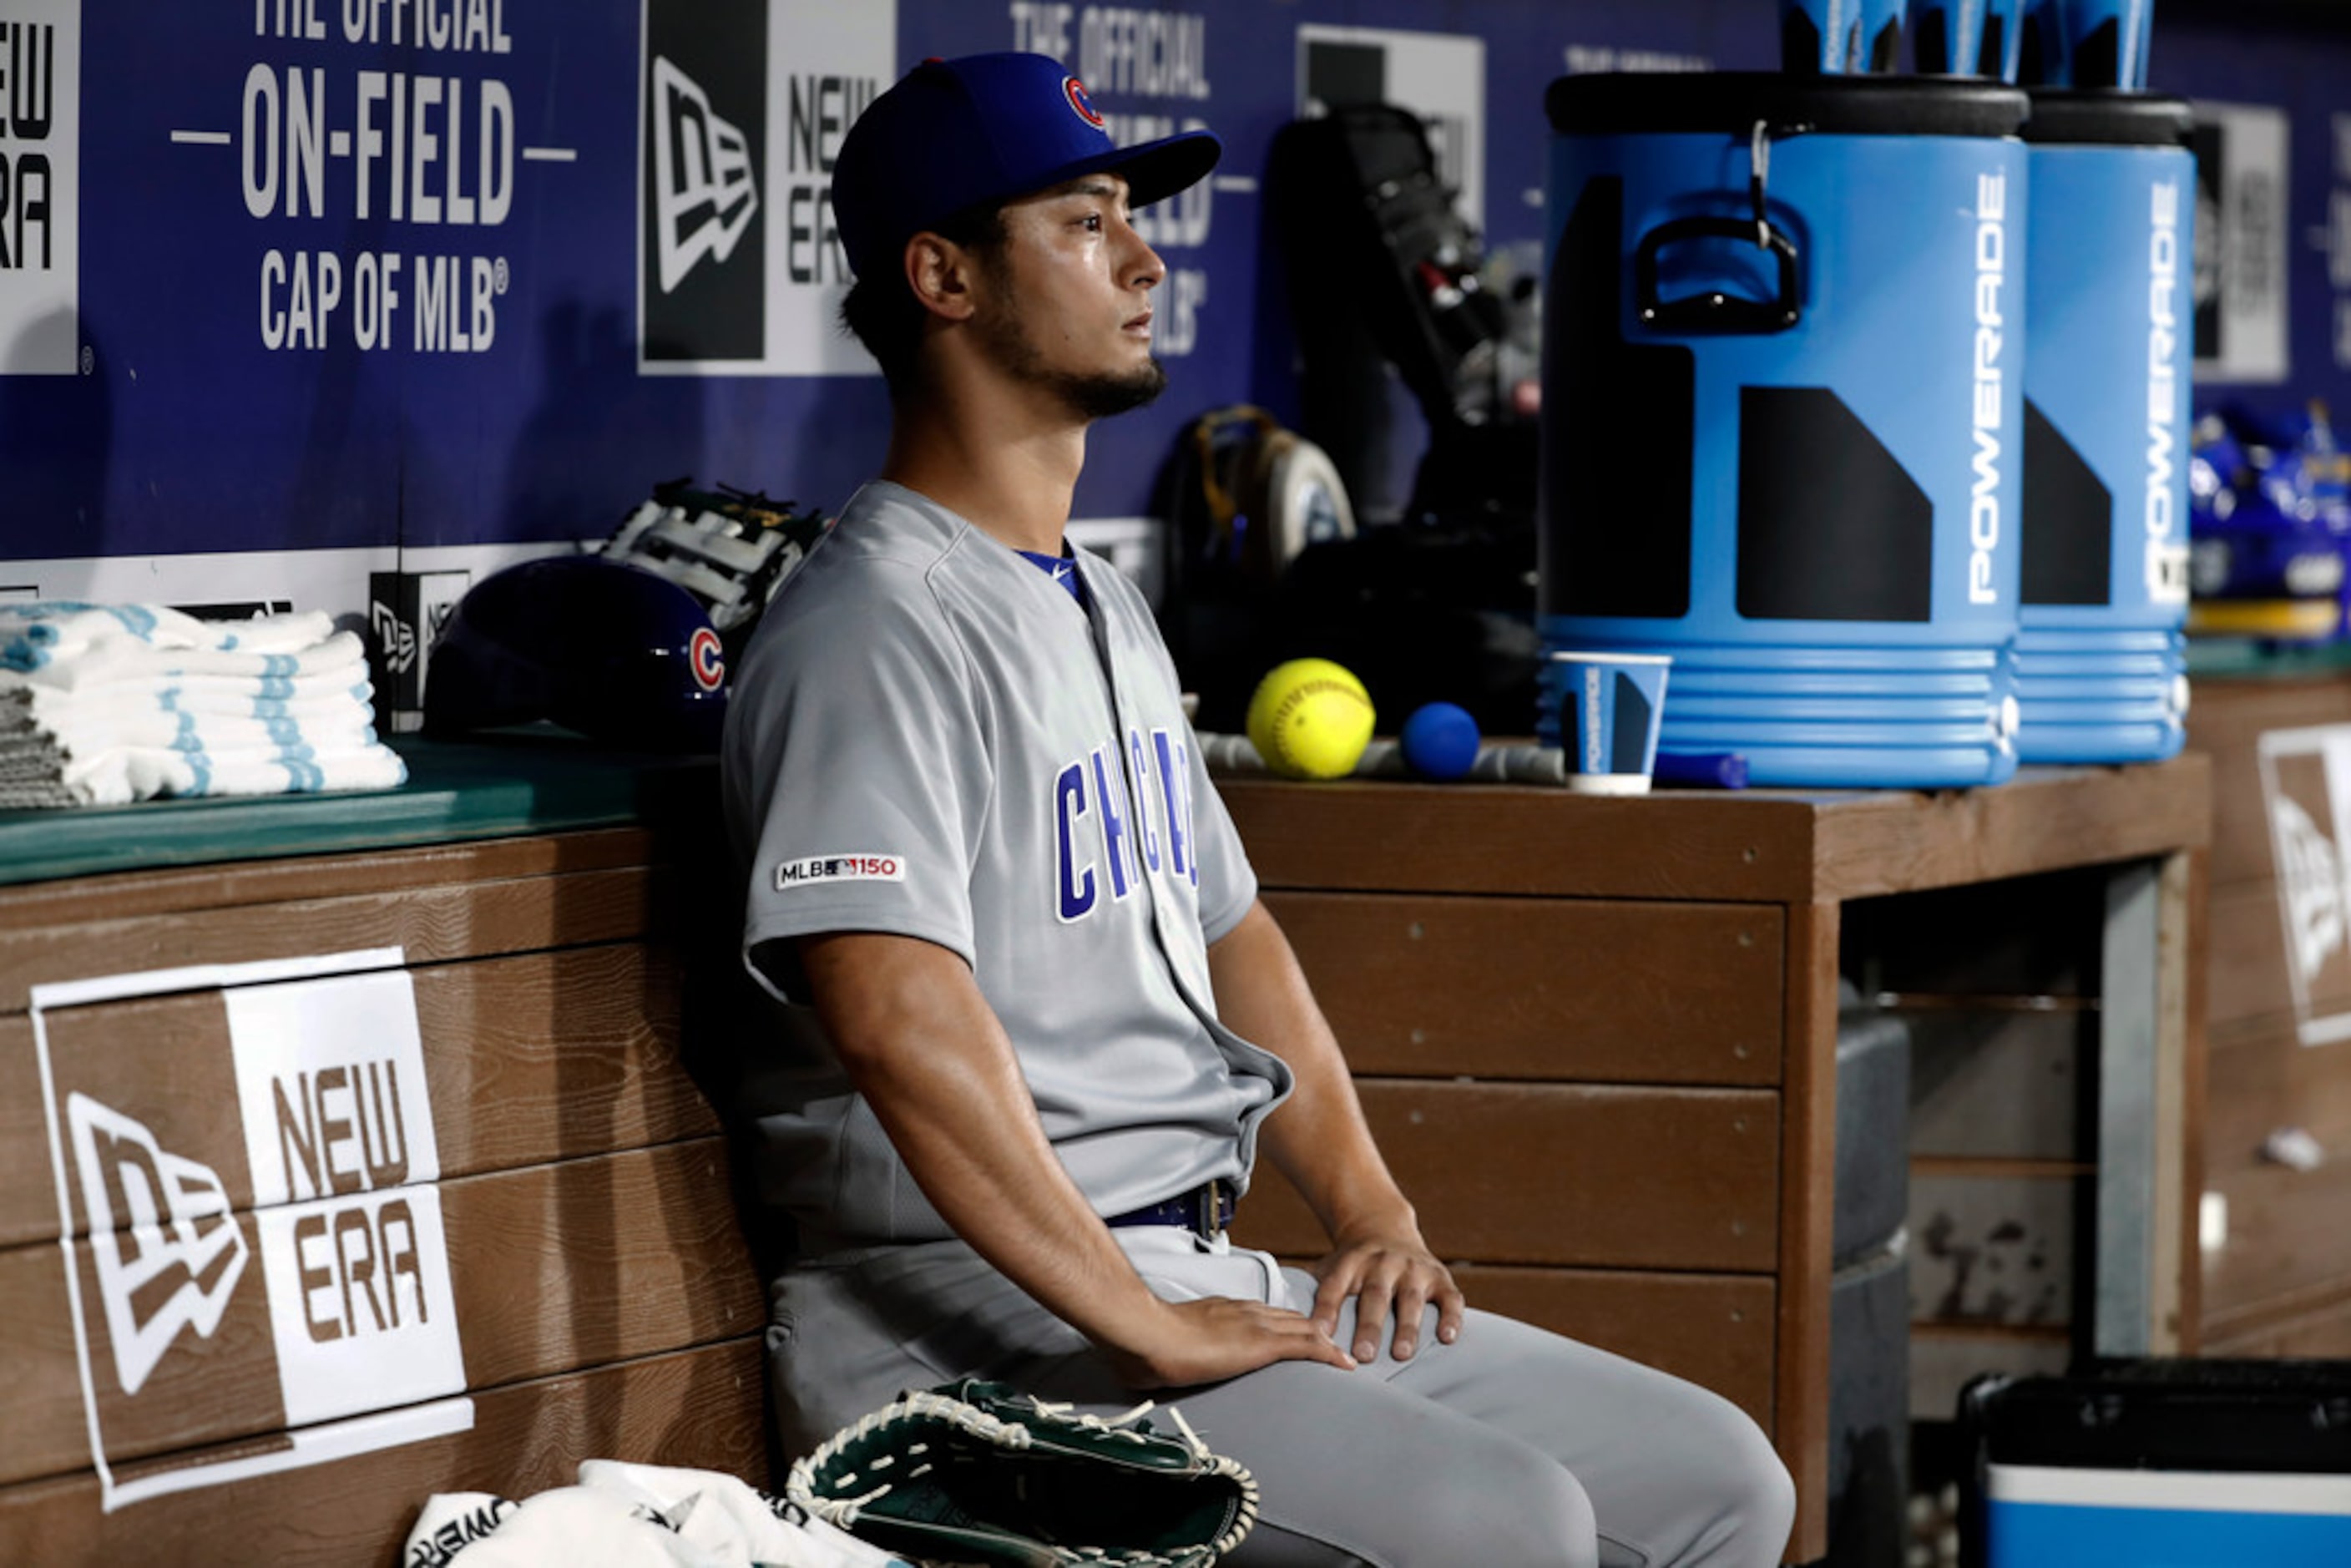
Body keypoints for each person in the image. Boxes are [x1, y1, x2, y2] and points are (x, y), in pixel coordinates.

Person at [718, 51, 1795, 1568]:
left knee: (1721, 1482)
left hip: (1184, 1263)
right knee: (1513, 1524)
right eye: (1086, 224)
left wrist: (1371, 1209)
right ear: (943, 274)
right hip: (953, 1327)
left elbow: (1239, 935)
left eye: (1130, 218)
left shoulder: (1100, 599)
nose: (1146, 257)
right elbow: (898, 1017)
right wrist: (1137, 1315)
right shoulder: (872, 625)